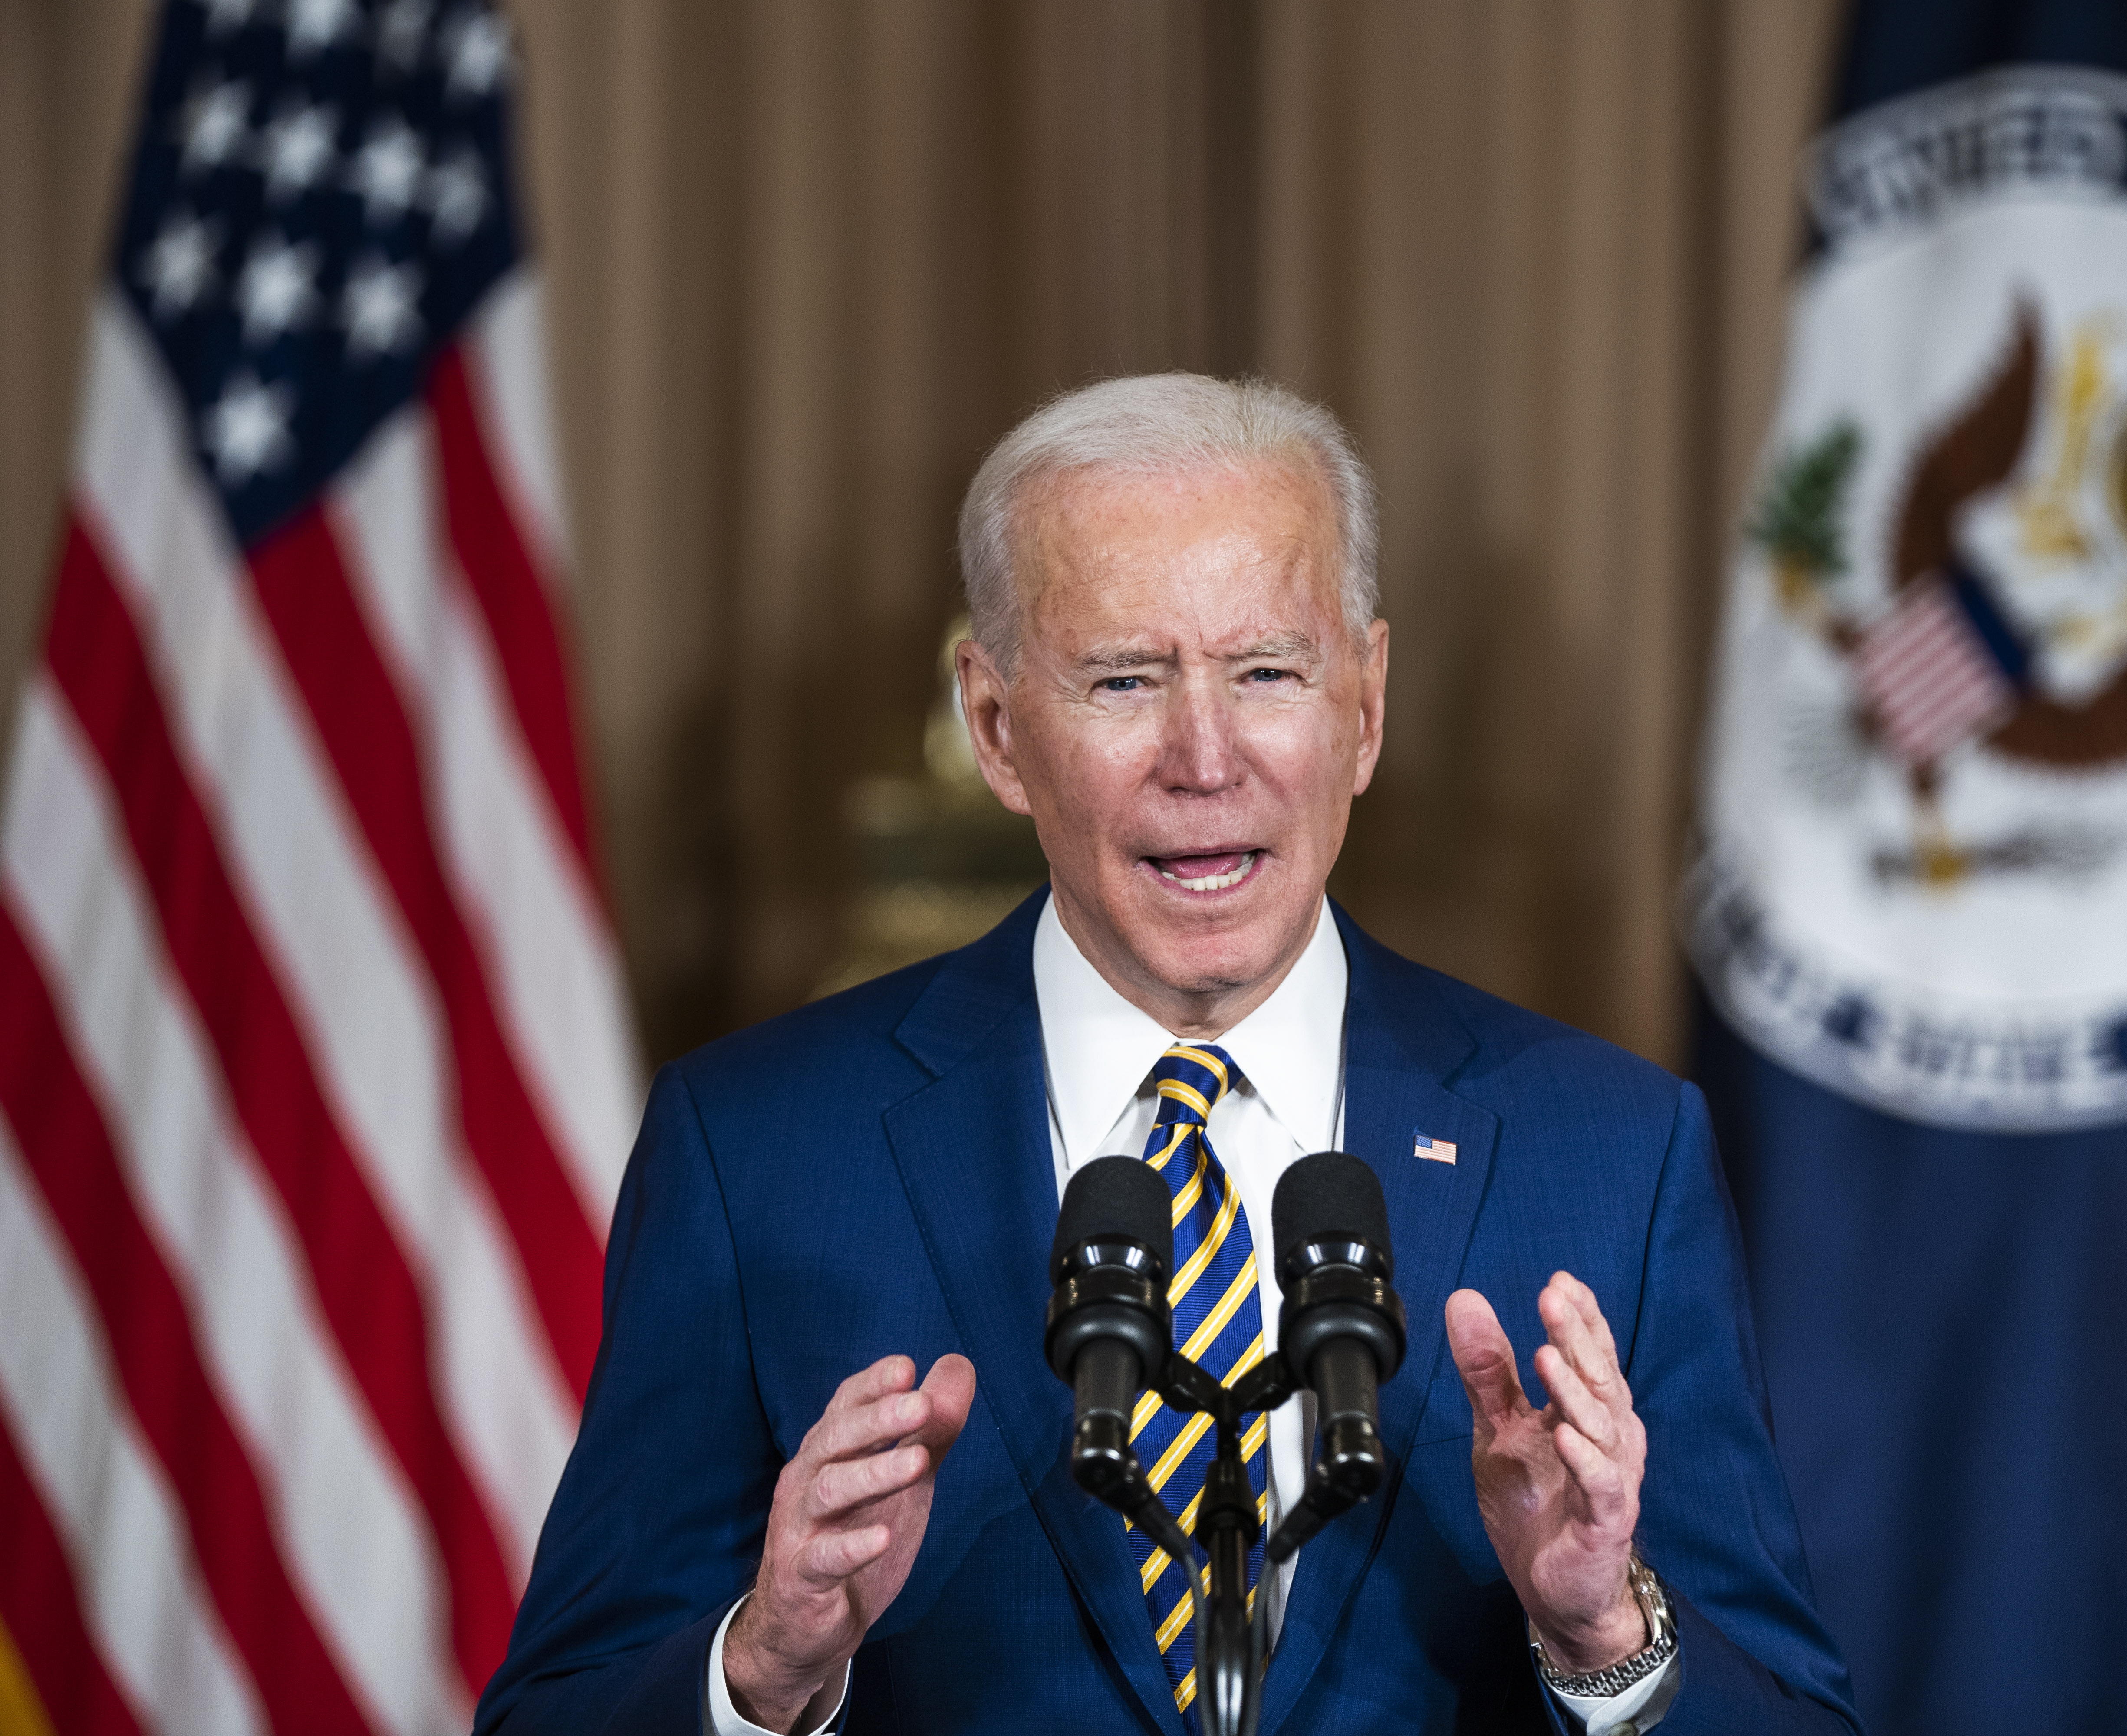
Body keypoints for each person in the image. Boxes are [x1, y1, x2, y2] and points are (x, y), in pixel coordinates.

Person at [474, 375, 1859, 1736]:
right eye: (1125, 679)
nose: (1206, 758)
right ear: (997, 725)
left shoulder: (1611, 1154)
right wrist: (762, 1670)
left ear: (1364, 708)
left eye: (1268, 672)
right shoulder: (761, 1151)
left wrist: (1607, 1640)